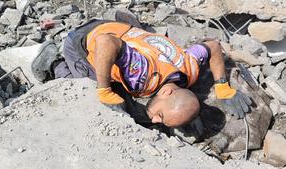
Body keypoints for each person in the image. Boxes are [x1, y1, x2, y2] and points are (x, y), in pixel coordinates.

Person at [31, 17, 252, 128]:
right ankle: (51, 60)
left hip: (118, 28)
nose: (155, 120)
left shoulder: (189, 68)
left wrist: (223, 86)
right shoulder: (142, 76)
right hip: (84, 38)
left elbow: (213, 46)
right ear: (166, 94)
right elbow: (105, 42)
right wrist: (104, 90)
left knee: (121, 86)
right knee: (84, 86)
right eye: (161, 116)